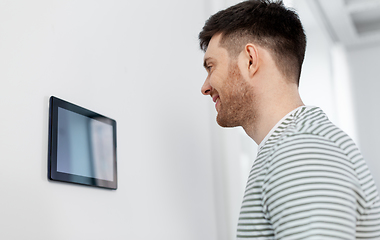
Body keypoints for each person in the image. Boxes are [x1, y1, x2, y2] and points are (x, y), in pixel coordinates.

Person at [199, 0, 380, 239]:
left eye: (211, 67)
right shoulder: (297, 146)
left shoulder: (300, 152)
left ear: (250, 60)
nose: (205, 87)